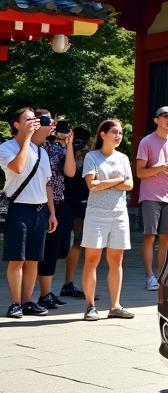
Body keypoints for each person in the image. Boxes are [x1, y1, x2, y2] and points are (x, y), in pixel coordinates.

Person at [1, 107, 57, 318]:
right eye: (28, 119)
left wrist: (52, 213)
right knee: (17, 259)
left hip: (40, 209)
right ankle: (15, 303)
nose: (34, 122)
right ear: (16, 124)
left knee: (34, 259)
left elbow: (47, 184)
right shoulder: (7, 147)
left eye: (35, 119)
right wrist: (27, 140)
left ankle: (27, 301)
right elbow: (17, 167)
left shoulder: (42, 151)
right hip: (19, 208)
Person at [81, 119, 135, 321]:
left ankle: (115, 305)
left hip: (119, 213)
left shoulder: (123, 158)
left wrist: (106, 184)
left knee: (117, 260)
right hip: (96, 214)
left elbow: (130, 186)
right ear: (103, 134)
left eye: (121, 132)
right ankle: (90, 306)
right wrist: (117, 180)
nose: (119, 135)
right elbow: (92, 185)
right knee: (92, 260)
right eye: (114, 132)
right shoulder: (91, 156)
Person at [34, 110, 78, 309]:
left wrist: (68, 146)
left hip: (59, 202)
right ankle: (44, 294)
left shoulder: (58, 147)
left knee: (60, 249)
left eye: (52, 121)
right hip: (39, 202)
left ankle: (48, 292)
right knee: (46, 250)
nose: (52, 124)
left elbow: (69, 172)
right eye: (46, 120)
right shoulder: (36, 146)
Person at [135, 105, 168, 291]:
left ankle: (161, 275)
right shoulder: (146, 142)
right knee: (149, 236)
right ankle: (149, 276)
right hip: (150, 196)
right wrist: (161, 168)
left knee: (166, 238)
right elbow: (140, 172)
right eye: (165, 116)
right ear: (156, 120)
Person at [59, 127, 91, 299]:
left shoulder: (64, 149)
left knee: (80, 243)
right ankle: (68, 283)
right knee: (80, 243)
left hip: (68, 201)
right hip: (80, 203)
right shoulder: (84, 154)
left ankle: (71, 283)